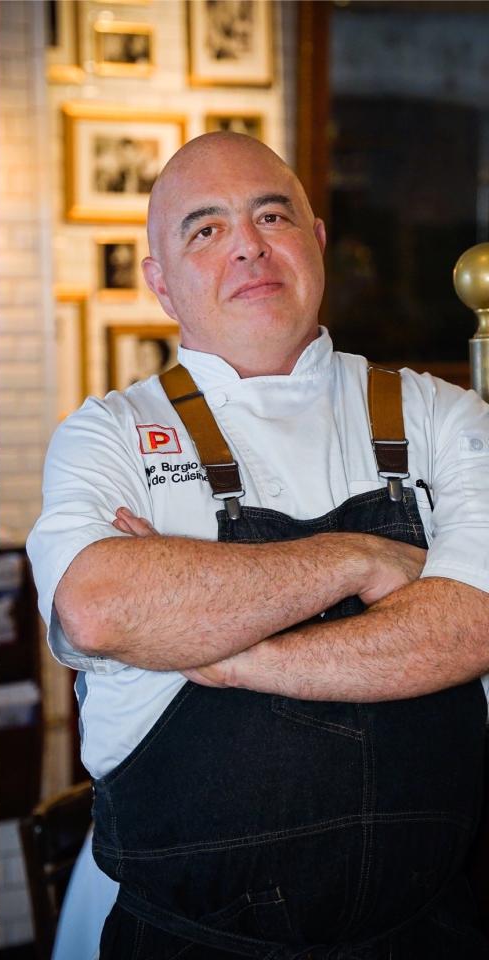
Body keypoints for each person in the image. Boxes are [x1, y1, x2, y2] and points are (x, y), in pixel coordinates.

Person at [27, 131, 489, 957]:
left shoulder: (442, 416)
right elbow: (99, 609)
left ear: (314, 244)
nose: (247, 245)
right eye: (204, 229)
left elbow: (472, 627)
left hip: (434, 933)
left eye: (271, 215)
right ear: (160, 282)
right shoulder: (110, 434)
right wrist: (361, 559)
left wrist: (227, 655)